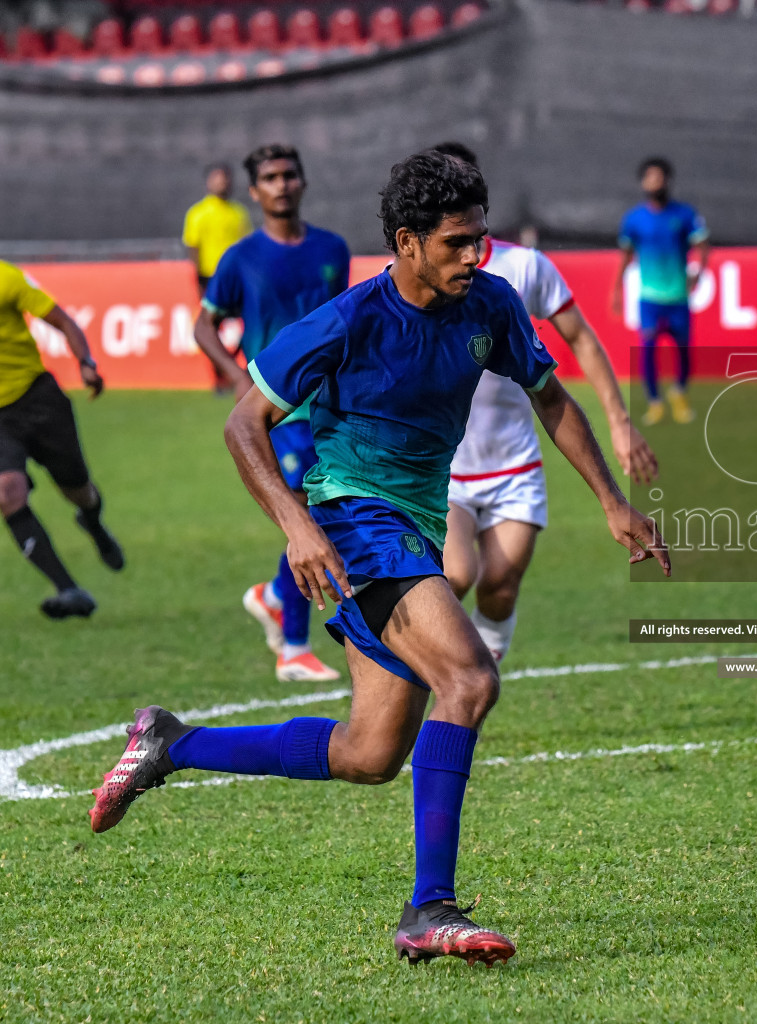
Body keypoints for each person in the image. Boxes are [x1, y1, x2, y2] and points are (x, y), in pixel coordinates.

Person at [89, 151, 669, 964]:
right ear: (407, 241)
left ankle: (169, 743)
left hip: (414, 530)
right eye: (459, 242)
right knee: (468, 679)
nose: (477, 255)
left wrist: (611, 500)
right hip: (354, 521)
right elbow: (242, 423)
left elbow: (549, 394)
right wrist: (297, 525)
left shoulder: (491, 304)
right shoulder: (350, 319)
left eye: (482, 238)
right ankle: (429, 909)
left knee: (368, 754)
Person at [429, 142, 659, 664]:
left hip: (514, 463)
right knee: (456, 575)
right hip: (443, 467)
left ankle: (474, 701)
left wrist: (619, 421)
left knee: (501, 586)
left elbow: (579, 339)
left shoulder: (525, 267)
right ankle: (433, 687)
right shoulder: (419, 274)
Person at [193, 144, 351, 683]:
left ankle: (274, 595)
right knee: (303, 513)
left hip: (331, 408)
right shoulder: (240, 258)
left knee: (328, 513)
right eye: (270, 178)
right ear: (255, 191)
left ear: (303, 182)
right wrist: (239, 380)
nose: (282, 184)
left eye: (289, 175)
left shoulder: (333, 248)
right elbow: (203, 324)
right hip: (279, 413)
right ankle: (294, 649)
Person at [0, 260, 123, 618]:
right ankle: (68, 590)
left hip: (37, 400)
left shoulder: (6, 278)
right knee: (7, 492)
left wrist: (86, 363)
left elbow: (64, 322)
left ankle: (93, 523)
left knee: (78, 489)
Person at [609, 157, 709, 426]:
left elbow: (702, 244)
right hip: (650, 299)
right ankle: (654, 402)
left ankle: (679, 393)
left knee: (683, 350)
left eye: (659, 177)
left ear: (667, 180)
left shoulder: (684, 214)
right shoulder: (634, 219)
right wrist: (616, 289)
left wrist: (699, 271)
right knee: (648, 348)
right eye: (649, 177)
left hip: (678, 297)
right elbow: (625, 255)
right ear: (643, 182)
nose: (654, 182)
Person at [182, 163, 253, 393]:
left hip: (239, 279)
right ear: (208, 182)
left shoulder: (239, 213)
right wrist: (198, 281)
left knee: (252, 323)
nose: (222, 182)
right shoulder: (198, 213)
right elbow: (193, 247)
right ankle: (220, 378)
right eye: (217, 178)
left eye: (226, 178)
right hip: (210, 278)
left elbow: (249, 247)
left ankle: (236, 365)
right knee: (210, 329)